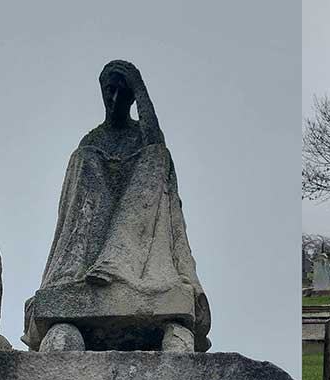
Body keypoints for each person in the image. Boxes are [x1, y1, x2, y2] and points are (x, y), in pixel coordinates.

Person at [25, 60, 209, 350]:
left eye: (123, 93)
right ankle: (73, 272)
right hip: (98, 210)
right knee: (84, 159)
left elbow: (156, 146)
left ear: (133, 97)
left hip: (136, 215)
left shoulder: (141, 134)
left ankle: (117, 263)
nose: (114, 99)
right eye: (109, 91)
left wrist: (140, 89)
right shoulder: (93, 139)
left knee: (157, 158)